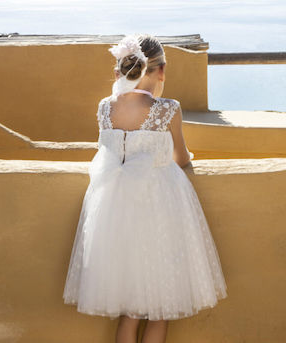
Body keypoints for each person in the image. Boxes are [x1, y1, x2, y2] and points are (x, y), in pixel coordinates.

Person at [62, 33, 228, 343]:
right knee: (160, 310)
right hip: (159, 210)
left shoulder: (104, 108)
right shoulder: (167, 108)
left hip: (114, 216)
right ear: (161, 71)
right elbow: (181, 158)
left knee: (130, 311)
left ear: (122, 70)